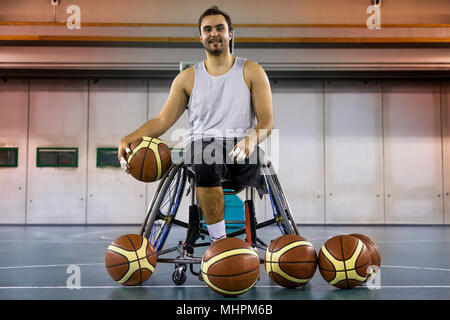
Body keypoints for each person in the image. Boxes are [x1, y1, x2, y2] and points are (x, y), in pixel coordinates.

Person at [118, 6, 273, 244]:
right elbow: (161, 121)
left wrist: (251, 140)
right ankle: (220, 244)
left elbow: (267, 121)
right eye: (207, 29)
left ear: (230, 34)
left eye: (220, 28)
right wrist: (127, 138)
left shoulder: (252, 71)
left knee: (220, 157)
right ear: (200, 37)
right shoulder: (188, 78)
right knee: (204, 157)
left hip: (240, 148)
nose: (214, 33)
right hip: (203, 147)